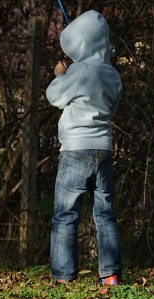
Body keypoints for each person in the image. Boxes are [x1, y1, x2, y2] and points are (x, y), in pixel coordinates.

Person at [46, 9, 122, 285]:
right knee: (105, 214)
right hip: (104, 150)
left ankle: (64, 276)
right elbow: (112, 108)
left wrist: (59, 75)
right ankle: (111, 275)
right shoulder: (113, 75)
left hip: (75, 151)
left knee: (66, 214)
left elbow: (54, 96)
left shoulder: (78, 72)